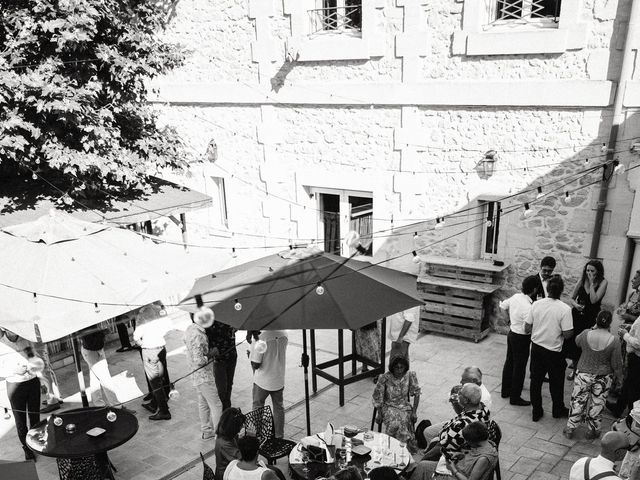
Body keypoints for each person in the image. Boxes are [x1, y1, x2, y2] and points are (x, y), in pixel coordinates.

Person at [410, 384, 490, 479]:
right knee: (428, 433)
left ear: (466, 400)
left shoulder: (462, 426)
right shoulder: (483, 408)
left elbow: (439, 449)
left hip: (454, 460)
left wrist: (423, 458)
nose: (458, 394)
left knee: (422, 465)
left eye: (460, 393)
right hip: (457, 440)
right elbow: (463, 414)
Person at [564, 310, 623, 440]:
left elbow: (577, 342)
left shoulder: (586, 333)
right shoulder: (614, 340)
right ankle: (592, 431)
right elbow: (616, 364)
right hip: (603, 376)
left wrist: (592, 328)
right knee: (597, 403)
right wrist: (619, 378)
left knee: (578, 400)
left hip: (583, 374)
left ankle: (570, 428)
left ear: (596, 320)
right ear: (610, 323)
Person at [525, 275, 573, 422]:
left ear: (547, 288)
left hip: (537, 348)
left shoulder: (536, 304)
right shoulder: (565, 309)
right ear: (561, 291)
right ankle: (557, 409)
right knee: (556, 383)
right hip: (554, 352)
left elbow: (527, 328)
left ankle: (536, 411)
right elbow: (568, 334)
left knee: (536, 381)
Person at [0, 330, 41, 460]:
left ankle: (35, 442)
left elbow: (33, 356)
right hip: (15, 385)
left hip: (32, 381)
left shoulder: (26, 339)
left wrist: (32, 365)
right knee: (20, 419)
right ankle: (26, 448)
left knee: (35, 415)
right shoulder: (1, 345)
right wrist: (14, 371)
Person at [500, 275, 538, 406]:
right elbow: (527, 329)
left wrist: (508, 320)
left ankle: (505, 391)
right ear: (534, 290)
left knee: (509, 362)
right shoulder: (529, 306)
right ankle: (515, 397)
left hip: (511, 334)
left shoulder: (516, 297)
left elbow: (503, 306)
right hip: (522, 338)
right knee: (519, 367)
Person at [566, 260, 608, 379]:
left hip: (590, 316)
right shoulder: (581, 280)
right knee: (574, 342)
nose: (589, 273)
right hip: (578, 314)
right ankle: (574, 366)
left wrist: (592, 283)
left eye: (592, 271)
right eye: (587, 270)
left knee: (585, 343)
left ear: (598, 272)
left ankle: (578, 369)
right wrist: (575, 305)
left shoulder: (603, 282)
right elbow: (572, 298)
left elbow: (594, 300)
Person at [185, 307, 222, 438]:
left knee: (203, 402)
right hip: (203, 375)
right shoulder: (198, 335)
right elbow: (198, 360)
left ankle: (206, 431)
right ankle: (219, 435)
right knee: (216, 404)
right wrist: (211, 354)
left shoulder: (190, 329)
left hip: (196, 375)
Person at [133, 303, 173, 420]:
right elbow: (168, 326)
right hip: (161, 347)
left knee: (155, 382)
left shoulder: (142, 314)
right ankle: (156, 403)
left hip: (150, 350)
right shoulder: (158, 310)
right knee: (160, 378)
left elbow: (136, 336)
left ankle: (164, 411)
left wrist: (141, 343)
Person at [372, 355, 421, 450]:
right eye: (396, 367)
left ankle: (402, 448)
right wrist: (379, 413)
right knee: (395, 423)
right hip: (389, 406)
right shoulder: (384, 378)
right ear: (392, 367)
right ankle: (391, 446)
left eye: (401, 367)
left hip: (404, 406)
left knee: (404, 420)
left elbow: (417, 393)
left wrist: (414, 411)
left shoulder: (410, 375)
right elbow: (377, 397)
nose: (399, 371)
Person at [249, 330, 288, 438]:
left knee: (258, 407)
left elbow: (256, 364)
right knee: (279, 407)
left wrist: (251, 354)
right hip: (278, 378)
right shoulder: (284, 334)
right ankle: (279, 436)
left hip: (262, 381)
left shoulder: (262, 337)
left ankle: (257, 435)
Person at [80, 325, 121, 408]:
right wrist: (103, 333)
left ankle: (98, 404)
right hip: (92, 350)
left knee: (95, 378)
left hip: (91, 349)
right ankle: (116, 406)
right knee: (106, 379)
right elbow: (93, 341)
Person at [206, 314, 238, 411]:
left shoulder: (229, 313)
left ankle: (227, 409)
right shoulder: (209, 318)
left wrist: (236, 327)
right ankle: (222, 412)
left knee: (229, 384)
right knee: (221, 389)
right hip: (219, 359)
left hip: (232, 354)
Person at [617, 314, 640, 416]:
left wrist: (625, 335)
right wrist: (631, 328)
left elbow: (638, 344)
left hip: (637, 357)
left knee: (634, 388)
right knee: (629, 382)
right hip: (635, 356)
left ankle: (631, 415)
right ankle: (618, 408)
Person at [215, 407, 246, 480]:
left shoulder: (226, 433)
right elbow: (244, 459)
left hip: (232, 469)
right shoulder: (225, 444)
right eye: (241, 425)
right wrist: (252, 439)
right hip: (227, 475)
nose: (242, 427)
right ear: (233, 428)